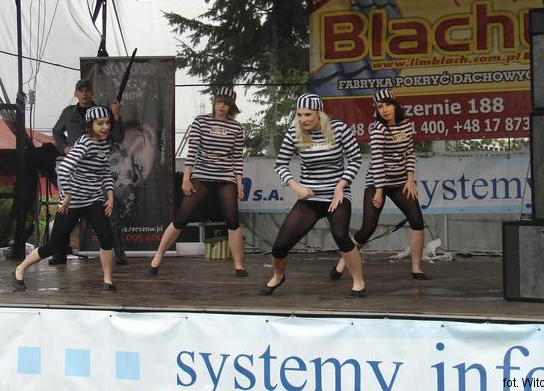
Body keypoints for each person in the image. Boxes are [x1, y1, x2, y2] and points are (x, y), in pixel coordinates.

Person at [259, 92, 366, 297]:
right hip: (309, 198)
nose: (303, 119)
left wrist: (341, 186)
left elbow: (355, 159)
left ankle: (359, 283)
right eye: (299, 115)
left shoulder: (338, 129)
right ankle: (278, 276)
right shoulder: (294, 133)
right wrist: (296, 187)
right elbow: (280, 164)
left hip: (336, 195)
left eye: (307, 114)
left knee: (341, 236)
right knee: (280, 246)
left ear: (319, 114)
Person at [11, 106, 118, 292]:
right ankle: (20, 269)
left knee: (106, 237)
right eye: (100, 123)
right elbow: (64, 169)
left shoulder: (104, 144)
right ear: (90, 125)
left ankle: (108, 280)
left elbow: (105, 171)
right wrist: (67, 195)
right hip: (73, 202)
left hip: (93, 199)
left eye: (108, 123)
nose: (105, 127)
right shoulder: (84, 143)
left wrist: (110, 194)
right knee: (53, 246)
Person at [330, 88, 429, 281]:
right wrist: (379, 191)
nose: (385, 109)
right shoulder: (377, 129)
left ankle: (417, 269)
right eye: (380, 106)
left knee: (417, 220)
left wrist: (410, 180)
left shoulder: (406, 124)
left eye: (388, 105)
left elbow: (409, 152)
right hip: (377, 182)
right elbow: (377, 161)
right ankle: (341, 265)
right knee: (368, 228)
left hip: (400, 181)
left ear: (395, 105)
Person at [149, 87, 247, 276]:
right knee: (181, 217)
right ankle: (158, 256)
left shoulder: (236, 127)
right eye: (220, 101)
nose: (222, 106)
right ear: (215, 101)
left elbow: (237, 158)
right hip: (201, 175)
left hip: (225, 177)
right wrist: (186, 178)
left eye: (227, 104)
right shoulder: (200, 121)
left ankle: (238, 265)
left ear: (232, 106)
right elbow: (192, 151)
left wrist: (239, 183)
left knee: (233, 221)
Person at [51, 79, 127, 265]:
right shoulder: (68, 112)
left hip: (96, 170)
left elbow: (117, 137)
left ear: (92, 93)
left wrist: (116, 116)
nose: (84, 94)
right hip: (74, 172)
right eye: (81, 91)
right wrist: (65, 148)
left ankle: (118, 253)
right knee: (65, 213)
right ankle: (59, 253)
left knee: (109, 213)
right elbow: (56, 132)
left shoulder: (102, 112)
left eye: (87, 90)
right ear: (76, 94)